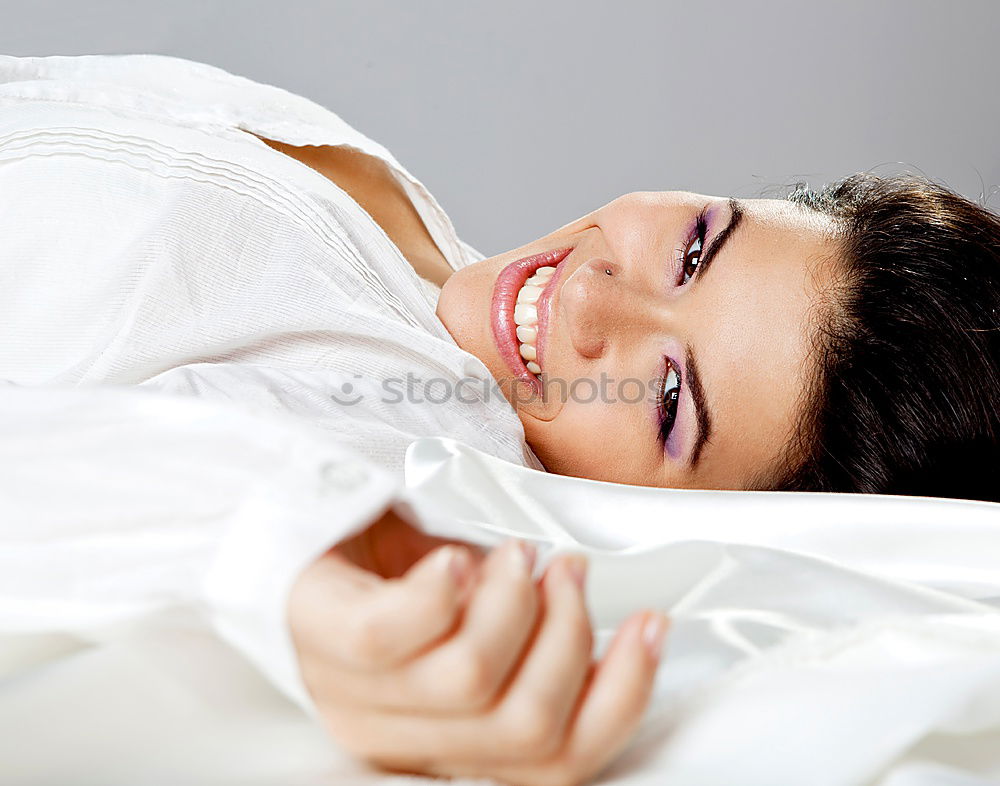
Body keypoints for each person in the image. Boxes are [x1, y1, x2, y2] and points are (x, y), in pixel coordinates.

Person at [1, 54, 998, 786]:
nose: (593, 298)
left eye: (666, 403)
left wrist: (288, 577)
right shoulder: (408, 225)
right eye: (695, 248)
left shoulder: (411, 439)